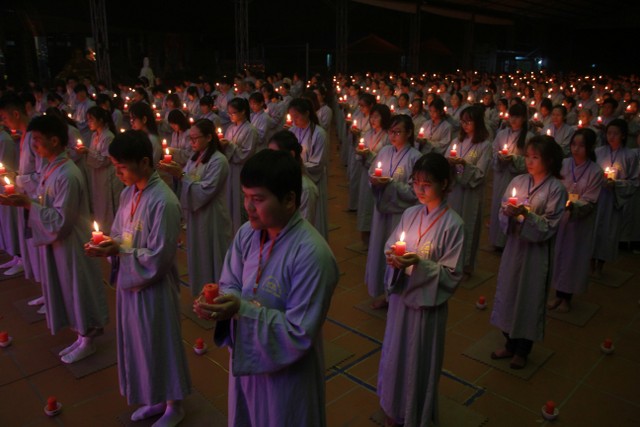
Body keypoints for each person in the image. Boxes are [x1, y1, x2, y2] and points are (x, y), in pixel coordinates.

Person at [193, 149, 338, 427]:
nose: (248, 207)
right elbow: (230, 282)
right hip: (247, 358)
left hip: (287, 374)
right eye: (245, 196)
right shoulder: (247, 234)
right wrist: (221, 303)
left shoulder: (312, 254)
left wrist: (241, 310)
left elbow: (299, 332)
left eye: (258, 199)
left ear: (289, 200)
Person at [85, 130, 191, 427]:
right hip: (130, 284)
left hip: (154, 287)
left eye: (122, 167)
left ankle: (174, 404)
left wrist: (118, 249)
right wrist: (108, 244)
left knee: (161, 342)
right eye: (115, 167)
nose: (117, 173)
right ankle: (154, 396)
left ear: (144, 162)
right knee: (140, 344)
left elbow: (160, 257)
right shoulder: (128, 193)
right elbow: (120, 233)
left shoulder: (164, 202)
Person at [1, 115, 108, 363]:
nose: (34, 145)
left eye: (38, 140)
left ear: (55, 140)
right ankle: (80, 335)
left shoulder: (67, 174)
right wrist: (27, 201)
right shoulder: (51, 168)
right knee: (66, 288)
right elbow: (46, 203)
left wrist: (29, 205)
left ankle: (88, 339)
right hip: (58, 242)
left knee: (77, 288)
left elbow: (61, 220)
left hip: (71, 242)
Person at [378, 153, 464, 427]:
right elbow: (391, 246)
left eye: (427, 184)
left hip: (426, 308)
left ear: (444, 184)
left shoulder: (453, 224)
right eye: (416, 182)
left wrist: (419, 265)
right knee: (396, 354)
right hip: (401, 301)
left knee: (418, 360)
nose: (420, 189)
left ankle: (416, 413)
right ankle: (393, 407)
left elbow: (452, 274)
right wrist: (394, 260)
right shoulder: (410, 214)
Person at [490, 135, 567, 369]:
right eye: (527, 157)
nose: (529, 162)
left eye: (535, 157)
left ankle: (523, 349)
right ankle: (509, 342)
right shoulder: (519, 181)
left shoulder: (556, 189)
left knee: (528, 297)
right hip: (514, 248)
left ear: (549, 160)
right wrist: (508, 214)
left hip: (536, 253)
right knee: (509, 292)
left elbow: (551, 224)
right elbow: (503, 208)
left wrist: (526, 215)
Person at [158, 119, 232, 296]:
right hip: (196, 213)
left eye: (195, 138)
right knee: (198, 253)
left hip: (212, 215)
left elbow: (206, 189)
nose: (191, 143)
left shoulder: (218, 160)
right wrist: (179, 172)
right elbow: (190, 179)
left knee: (212, 254)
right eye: (189, 139)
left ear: (209, 137)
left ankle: (217, 294)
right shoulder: (195, 157)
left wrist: (181, 175)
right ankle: (201, 291)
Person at [366, 114, 422, 308]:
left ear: (409, 133)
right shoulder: (385, 151)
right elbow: (372, 172)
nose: (393, 136)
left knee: (395, 252)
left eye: (398, 132)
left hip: (400, 212)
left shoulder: (415, 157)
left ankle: (393, 293)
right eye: (391, 131)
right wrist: (374, 181)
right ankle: (381, 291)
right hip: (382, 209)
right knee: (379, 248)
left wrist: (390, 184)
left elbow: (414, 191)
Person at [549, 129, 603, 313]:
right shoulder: (564, 164)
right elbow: (555, 184)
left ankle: (567, 297)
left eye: (581, 145)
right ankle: (557, 294)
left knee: (573, 258)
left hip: (578, 221)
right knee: (558, 255)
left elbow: (591, 199)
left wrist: (574, 206)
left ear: (590, 147)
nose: (576, 149)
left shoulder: (595, 171)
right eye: (573, 144)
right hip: (560, 217)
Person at [446, 105, 492, 278]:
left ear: (478, 123)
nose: (464, 125)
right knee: (451, 226)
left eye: (468, 121)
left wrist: (464, 165)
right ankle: (449, 261)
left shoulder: (485, 145)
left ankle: (465, 265)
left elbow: (480, 173)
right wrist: (451, 166)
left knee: (468, 226)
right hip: (455, 191)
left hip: (471, 193)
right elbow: (446, 159)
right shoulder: (457, 141)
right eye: (462, 121)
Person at [591, 119, 639, 276]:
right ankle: (590, 264)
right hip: (597, 197)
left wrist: (616, 184)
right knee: (593, 231)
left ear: (623, 135)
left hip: (613, 201)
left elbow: (634, 181)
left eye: (615, 133)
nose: (611, 136)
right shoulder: (598, 152)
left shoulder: (630, 155)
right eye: (609, 133)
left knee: (608, 233)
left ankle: (600, 266)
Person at [488, 103, 532, 249]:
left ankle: (507, 241)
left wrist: (514, 159)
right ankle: (496, 240)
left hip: (517, 178)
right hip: (501, 175)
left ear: (524, 118)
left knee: (512, 207)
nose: (513, 120)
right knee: (498, 205)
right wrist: (499, 157)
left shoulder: (528, 137)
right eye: (512, 116)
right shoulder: (501, 134)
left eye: (517, 117)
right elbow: (493, 152)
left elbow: (529, 160)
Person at [288, 98, 329, 239]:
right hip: (296, 178)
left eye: (297, 116)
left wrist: (298, 166)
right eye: (292, 117)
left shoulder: (318, 134)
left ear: (306, 113)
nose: (294, 120)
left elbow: (318, 163)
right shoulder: (292, 131)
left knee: (313, 217)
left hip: (312, 179)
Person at [81, 106, 122, 234]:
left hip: (107, 174)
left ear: (101, 120)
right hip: (97, 174)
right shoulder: (94, 135)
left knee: (108, 204)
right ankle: (102, 230)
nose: (89, 123)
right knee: (99, 202)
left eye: (91, 119)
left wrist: (87, 152)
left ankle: (112, 232)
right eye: (88, 120)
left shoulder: (108, 136)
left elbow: (105, 159)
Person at [220, 97, 259, 234]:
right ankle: (229, 230)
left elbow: (246, 154)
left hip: (242, 170)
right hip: (230, 169)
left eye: (233, 113)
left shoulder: (250, 130)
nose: (230, 116)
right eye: (229, 113)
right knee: (229, 199)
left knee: (239, 200)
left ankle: (242, 231)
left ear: (243, 112)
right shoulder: (230, 128)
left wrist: (229, 145)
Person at [355, 103, 391, 248]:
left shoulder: (388, 136)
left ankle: (374, 236)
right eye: (372, 116)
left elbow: (387, 157)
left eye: (377, 117)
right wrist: (361, 153)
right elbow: (360, 150)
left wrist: (369, 154)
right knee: (364, 202)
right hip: (366, 173)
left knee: (373, 204)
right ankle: (364, 234)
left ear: (384, 118)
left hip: (379, 176)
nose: (373, 120)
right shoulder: (368, 134)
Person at [267, 129, 319, 227]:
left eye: (275, 154)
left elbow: (305, 226)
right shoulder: (275, 179)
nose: (270, 159)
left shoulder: (306, 189)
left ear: (291, 155)